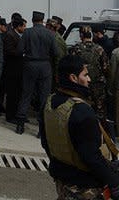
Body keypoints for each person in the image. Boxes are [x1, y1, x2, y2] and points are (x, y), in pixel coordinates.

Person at [40, 54, 119, 200]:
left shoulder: (49, 102)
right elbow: (92, 158)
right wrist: (114, 183)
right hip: (84, 186)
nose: (89, 79)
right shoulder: (82, 111)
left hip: (62, 180)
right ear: (73, 78)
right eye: (85, 75)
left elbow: (46, 142)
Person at [15, 10, 56, 134]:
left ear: (32, 20)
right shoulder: (50, 34)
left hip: (30, 64)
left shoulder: (27, 33)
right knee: (44, 97)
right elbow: (56, 53)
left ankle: (20, 125)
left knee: (26, 94)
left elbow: (19, 50)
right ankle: (41, 129)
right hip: (45, 66)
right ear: (42, 21)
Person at [70, 25, 109, 123]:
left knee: (80, 109)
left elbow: (71, 67)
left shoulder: (75, 49)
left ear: (81, 35)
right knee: (99, 112)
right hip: (98, 85)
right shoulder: (99, 49)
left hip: (81, 85)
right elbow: (106, 67)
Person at [3, 16, 25, 123]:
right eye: (23, 26)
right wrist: (21, 53)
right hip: (12, 69)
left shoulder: (17, 35)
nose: (25, 28)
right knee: (12, 94)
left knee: (16, 94)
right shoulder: (10, 35)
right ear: (19, 26)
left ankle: (14, 114)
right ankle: (10, 116)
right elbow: (9, 51)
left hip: (17, 69)